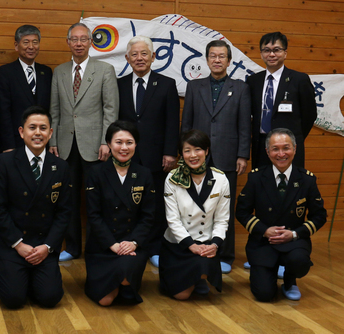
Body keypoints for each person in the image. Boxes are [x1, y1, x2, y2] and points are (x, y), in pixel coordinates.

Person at [0, 106, 73, 309]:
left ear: (50, 133)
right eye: (32, 127)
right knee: (13, 300)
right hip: (14, 244)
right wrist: (18, 244)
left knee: (50, 298)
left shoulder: (60, 166)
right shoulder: (5, 162)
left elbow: (64, 212)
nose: (37, 133)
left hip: (44, 245)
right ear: (21, 131)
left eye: (43, 128)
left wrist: (47, 247)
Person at [181, 39, 251, 274]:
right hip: (196, 156)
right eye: (213, 55)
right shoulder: (194, 86)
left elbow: (244, 125)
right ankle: (195, 248)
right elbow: (187, 124)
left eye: (222, 56)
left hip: (227, 155)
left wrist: (242, 155)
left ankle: (225, 254)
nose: (217, 60)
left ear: (229, 61)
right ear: (207, 59)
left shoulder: (240, 88)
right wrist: (185, 153)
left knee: (224, 207)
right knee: (194, 203)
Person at [50, 22, 118, 262]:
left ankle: (96, 246)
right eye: (74, 39)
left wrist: (106, 141)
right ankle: (72, 247)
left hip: (95, 146)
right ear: (68, 42)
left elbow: (111, 110)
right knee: (68, 199)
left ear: (91, 43)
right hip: (66, 147)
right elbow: (55, 110)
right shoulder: (58, 71)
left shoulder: (105, 70)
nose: (78, 44)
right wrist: (53, 141)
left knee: (96, 199)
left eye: (83, 39)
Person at [236, 128, 327, 301]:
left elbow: (319, 216)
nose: (281, 154)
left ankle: (290, 280)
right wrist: (264, 230)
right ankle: (262, 273)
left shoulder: (307, 180)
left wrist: (294, 234)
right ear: (267, 151)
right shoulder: (256, 178)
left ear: (295, 148)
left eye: (286, 148)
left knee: (299, 261)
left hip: (294, 242)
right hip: (264, 242)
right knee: (264, 294)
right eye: (275, 149)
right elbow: (241, 211)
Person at [118, 36, 179, 268]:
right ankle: (129, 244)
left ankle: (154, 247)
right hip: (126, 155)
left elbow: (172, 121)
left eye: (144, 54)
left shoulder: (166, 84)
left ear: (153, 57)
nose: (139, 58)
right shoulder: (119, 84)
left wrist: (170, 152)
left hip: (157, 157)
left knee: (154, 204)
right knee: (127, 202)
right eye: (134, 54)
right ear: (127, 58)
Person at [84, 120, 154, 305]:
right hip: (103, 245)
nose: (124, 147)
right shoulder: (95, 173)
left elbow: (148, 216)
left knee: (123, 278)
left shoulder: (144, 173)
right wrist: (112, 245)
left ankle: (125, 283)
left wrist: (133, 242)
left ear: (136, 144)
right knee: (105, 300)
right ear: (108, 144)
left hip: (132, 245)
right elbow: (93, 215)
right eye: (118, 142)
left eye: (129, 142)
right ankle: (121, 285)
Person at [159, 130, 230, 300]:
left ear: (206, 151)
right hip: (178, 245)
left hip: (206, 245)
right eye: (187, 150)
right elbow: (173, 220)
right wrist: (191, 245)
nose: (193, 155)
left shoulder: (221, 179)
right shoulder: (172, 179)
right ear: (181, 154)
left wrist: (215, 244)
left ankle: (200, 278)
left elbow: (222, 219)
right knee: (181, 295)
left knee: (200, 273)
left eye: (198, 149)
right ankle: (195, 279)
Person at [247, 32, 316, 170]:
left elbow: (309, 115)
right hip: (261, 147)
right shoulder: (253, 81)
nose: (271, 54)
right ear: (261, 54)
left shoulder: (299, 80)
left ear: (285, 53)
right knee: (261, 187)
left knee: (289, 188)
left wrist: (292, 139)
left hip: (287, 149)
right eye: (266, 50)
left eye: (276, 50)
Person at [0, 24, 52, 152]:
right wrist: (8, 145)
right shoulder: (5, 72)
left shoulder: (46, 72)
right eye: (26, 42)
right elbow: (4, 111)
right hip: (16, 142)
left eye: (35, 42)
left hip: (42, 141)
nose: (31, 47)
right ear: (17, 45)